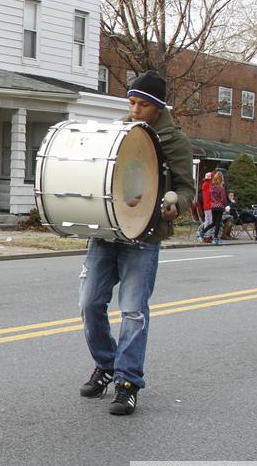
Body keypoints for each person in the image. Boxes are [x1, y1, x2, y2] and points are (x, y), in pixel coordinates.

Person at [78, 70, 194, 416]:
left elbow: (186, 188)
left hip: (145, 235)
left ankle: (128, 381)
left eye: (143, 104)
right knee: (89, 304)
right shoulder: (121, 130)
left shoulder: (175, 141)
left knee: (133, 310)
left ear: (158, 107)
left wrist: (177, 207)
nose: (135, 110)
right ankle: (107, 363)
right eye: (131, 102)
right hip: (107, 232)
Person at [208, 171, 226, 245]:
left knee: (214, 222)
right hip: (220, 207)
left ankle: (203, 231)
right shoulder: (221, 189)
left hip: (213, 207)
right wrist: (223, 205)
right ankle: (215, 238)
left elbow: (210, 197)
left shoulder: (212, 188)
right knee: (218, 223)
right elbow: (223, 199)